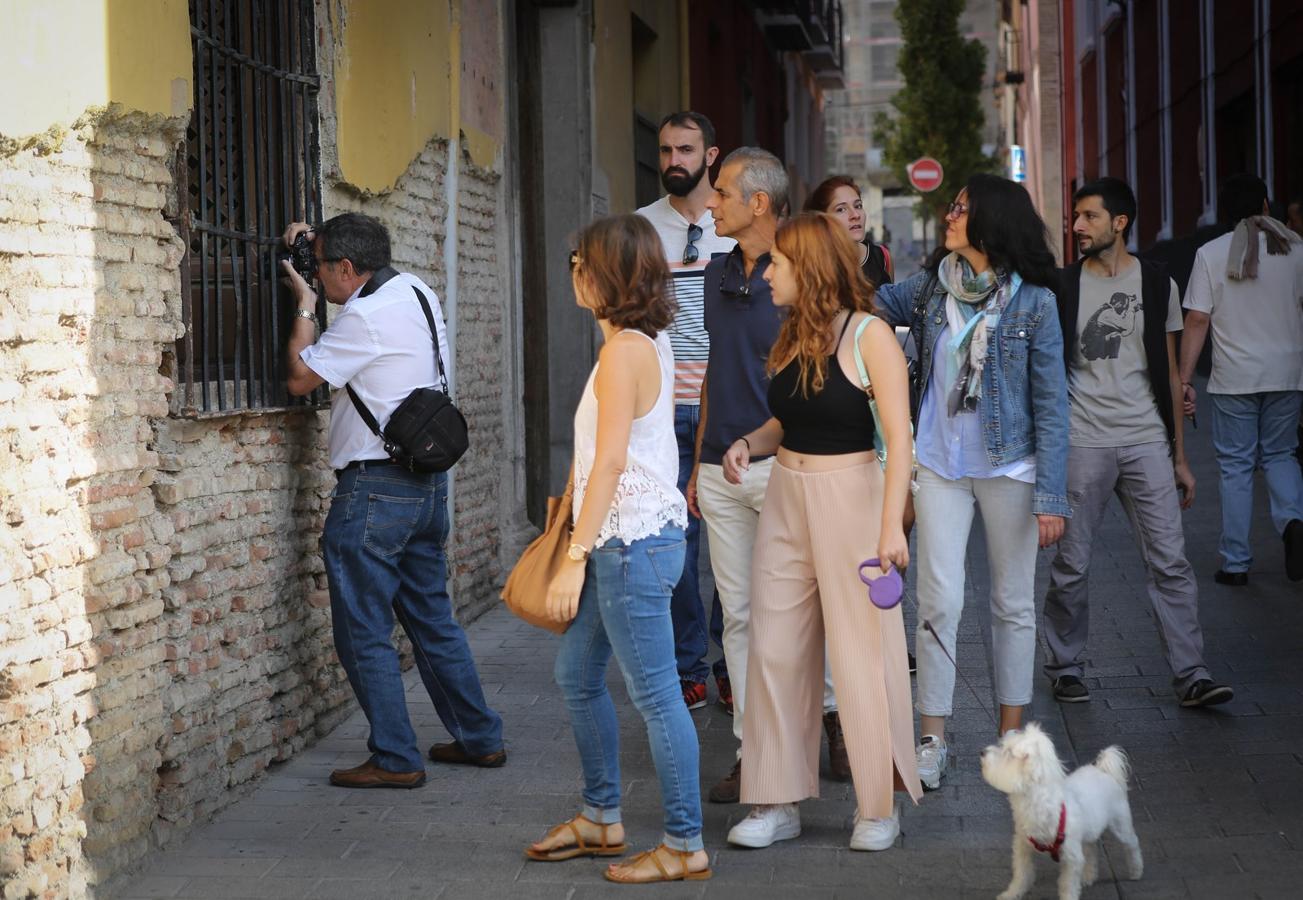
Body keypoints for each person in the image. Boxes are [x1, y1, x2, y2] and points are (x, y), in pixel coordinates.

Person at [720, 213, 921, 852]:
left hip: (854, 496)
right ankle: (776, 800)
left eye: (777, 262)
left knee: (863, 655)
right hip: (785, 491)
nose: (767, 271)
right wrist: (749, 443)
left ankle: (877, 807)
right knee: (774, 646)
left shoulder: (871, 336)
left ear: (806, 268)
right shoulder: (790, 335)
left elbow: (899, 436)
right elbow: (790, 418)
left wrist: (892, 526)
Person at [282, 213, 504, 788]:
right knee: (433, 620)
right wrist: (314, 242)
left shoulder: (364, 317)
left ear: (348, 269)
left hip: (375, 493)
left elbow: (302, 379)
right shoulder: (414, 290)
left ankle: (394, 757)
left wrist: (306, 303)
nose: (320, 275)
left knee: (363, 628)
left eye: (325, 267)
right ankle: (479, 738)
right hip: (426, 488)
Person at [524, 214, 709, 884]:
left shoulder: (626, 350)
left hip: (629, 543)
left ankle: (685, 843)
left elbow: (606, 466)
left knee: (657, 696)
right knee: (576, 676)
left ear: (600, 273)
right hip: (625, 540)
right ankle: (602, 816)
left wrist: (572, 558)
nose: (570, 268)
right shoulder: (637, 342)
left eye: (578, 258)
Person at [873, 175, 1071, 790]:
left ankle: (1013, 741)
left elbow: (1052, 403)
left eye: (960, 207)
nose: (949, 214)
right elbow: (870, 306)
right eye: (952, 205)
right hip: (936, 462)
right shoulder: (932, 289)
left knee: (1012, 604)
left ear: (991, 221)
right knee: (938, 600)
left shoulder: (1034, 301)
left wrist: (1051, 497)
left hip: (1010, 465)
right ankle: (930, 738)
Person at [1044, 178, 1233, 709]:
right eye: (1075, 217)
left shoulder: (1157, 284)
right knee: (1073, 563)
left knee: (1170, 561)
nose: (1077, 226)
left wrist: (1180, 457)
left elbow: (1170, 373)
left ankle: (1191, 672)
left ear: (1119, 222)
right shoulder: (1064, 287)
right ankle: (1063, 664)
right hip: (1084, 441)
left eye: (1089, 217)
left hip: (1147, 439)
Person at [691, 147, 844, 803]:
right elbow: (711, 375)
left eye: (720, 191)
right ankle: (753, 755)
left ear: (758, 201)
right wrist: (696, 464)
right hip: (721, 469)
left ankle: (834, 721)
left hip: (791, 463)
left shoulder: (803, 270)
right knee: (740, 620)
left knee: (815, 610)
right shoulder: (712, 274)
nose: (708, 202)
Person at [635, 111, 734, 714]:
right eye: (666, 149)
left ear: (711, 154)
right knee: (677, 544)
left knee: (731, 544)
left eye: (686, 149)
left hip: (727, 409)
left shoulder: (736, 224)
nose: (674, 159)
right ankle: (687, 665)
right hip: (666, 406)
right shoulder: (643, 227)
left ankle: (730, 662)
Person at [1179, 174, 1303, 585]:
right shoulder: (1296, 249)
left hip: (1235, 377)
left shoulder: (1210, 253)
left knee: (1235, 466)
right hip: (1287, 373)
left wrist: (1184, 378)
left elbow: (1197, 319)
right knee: (1281, 454)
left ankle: (1235, 563)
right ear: (1266, 204)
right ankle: (1292, 524)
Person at [804, 175, 894, 287]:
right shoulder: (811, 265)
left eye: (858, 206)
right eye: (841, 209)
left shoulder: (882, 256)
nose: (855, 215)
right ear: (822, 219)